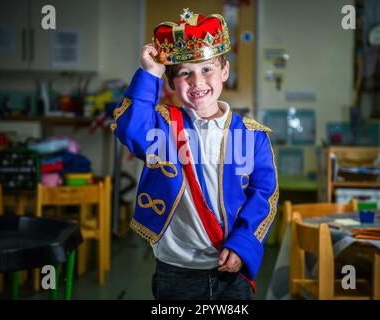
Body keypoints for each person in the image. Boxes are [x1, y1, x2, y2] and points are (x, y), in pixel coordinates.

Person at [110, 9, 278, 300]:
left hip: (231, 269)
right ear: (172, 82)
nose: (197, 82)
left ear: (225, 71)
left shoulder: (252, 135)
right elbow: (130, 130)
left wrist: (243, 244)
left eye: (207, 69)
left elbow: (264, 194)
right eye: (185, 73)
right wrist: (151, 71)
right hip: (175, 270)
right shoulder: (162, 126)